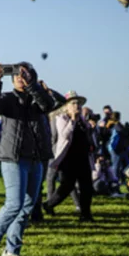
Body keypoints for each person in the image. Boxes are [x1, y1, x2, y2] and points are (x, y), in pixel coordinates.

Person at [0, 63, 55, 256]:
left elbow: (48, 106)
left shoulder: (38, 97)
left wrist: (32, 86)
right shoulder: (8, 98)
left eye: (24, 74)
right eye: (16, 74)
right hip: (13, 157)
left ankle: (12, 249)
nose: (19, 77)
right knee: (14, 204)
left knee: (27, 205)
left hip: (35, 158)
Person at [43, 91, 95, 222]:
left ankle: (86, 214)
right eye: (73, 103)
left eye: (78, 103)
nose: (76, 106)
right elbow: (64, 135)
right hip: (68, 158)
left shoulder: (83, 121)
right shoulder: (61, 118)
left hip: (83, 157)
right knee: (67, 186)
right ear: (67, 106)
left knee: (86, 187)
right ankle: (48, 205)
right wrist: (72, 119)